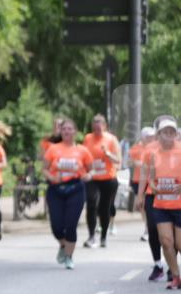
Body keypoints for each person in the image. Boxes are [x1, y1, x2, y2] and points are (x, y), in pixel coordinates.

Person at [43, 118, 93, 270]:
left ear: (75, 132)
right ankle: (64, 245)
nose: (66, 131)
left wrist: (88, 176)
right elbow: (44, 169)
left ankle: (69, 257)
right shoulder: (53, 149)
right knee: (57, 227)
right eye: (64, 129)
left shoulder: (83, 150)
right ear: (60, 131)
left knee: (71, 225)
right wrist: (52, 177)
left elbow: (91, 170)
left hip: (76, 188)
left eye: (70, 129)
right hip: (56, 189)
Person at [137, 116, 180, 287]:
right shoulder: (151, 152)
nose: (168, 135)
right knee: (166, 240)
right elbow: (148, 176)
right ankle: (176, 276)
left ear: (175, 134)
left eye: (171, 132)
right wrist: (148, 189)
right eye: (165, 132)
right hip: (160, 203)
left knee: (179, 243)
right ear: (159, 134)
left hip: (179, 205)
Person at [82, 114, 121, 248]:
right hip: (93, 177)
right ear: (92, 126)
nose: (97, 128)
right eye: (95, 125)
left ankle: (103, 236)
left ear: (104, 126)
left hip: (108, 178)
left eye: (100, 125)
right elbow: (83, 156)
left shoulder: (111, 139)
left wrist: (108, 154)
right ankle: (92, 236)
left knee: (104, 208)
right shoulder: (88, 138)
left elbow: (118, 160)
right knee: (91, 204)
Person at [129, 127, 157, 244]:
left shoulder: (156, 148)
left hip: (151, 181)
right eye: (147, 136)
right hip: (137, 179)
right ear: (143, 137)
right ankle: (147, 225)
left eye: (152, 136)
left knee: (149, 206)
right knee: (141, 206)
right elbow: (130, 162)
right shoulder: (136, 148)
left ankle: (148, 228)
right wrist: (136, 163)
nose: (150, 138)